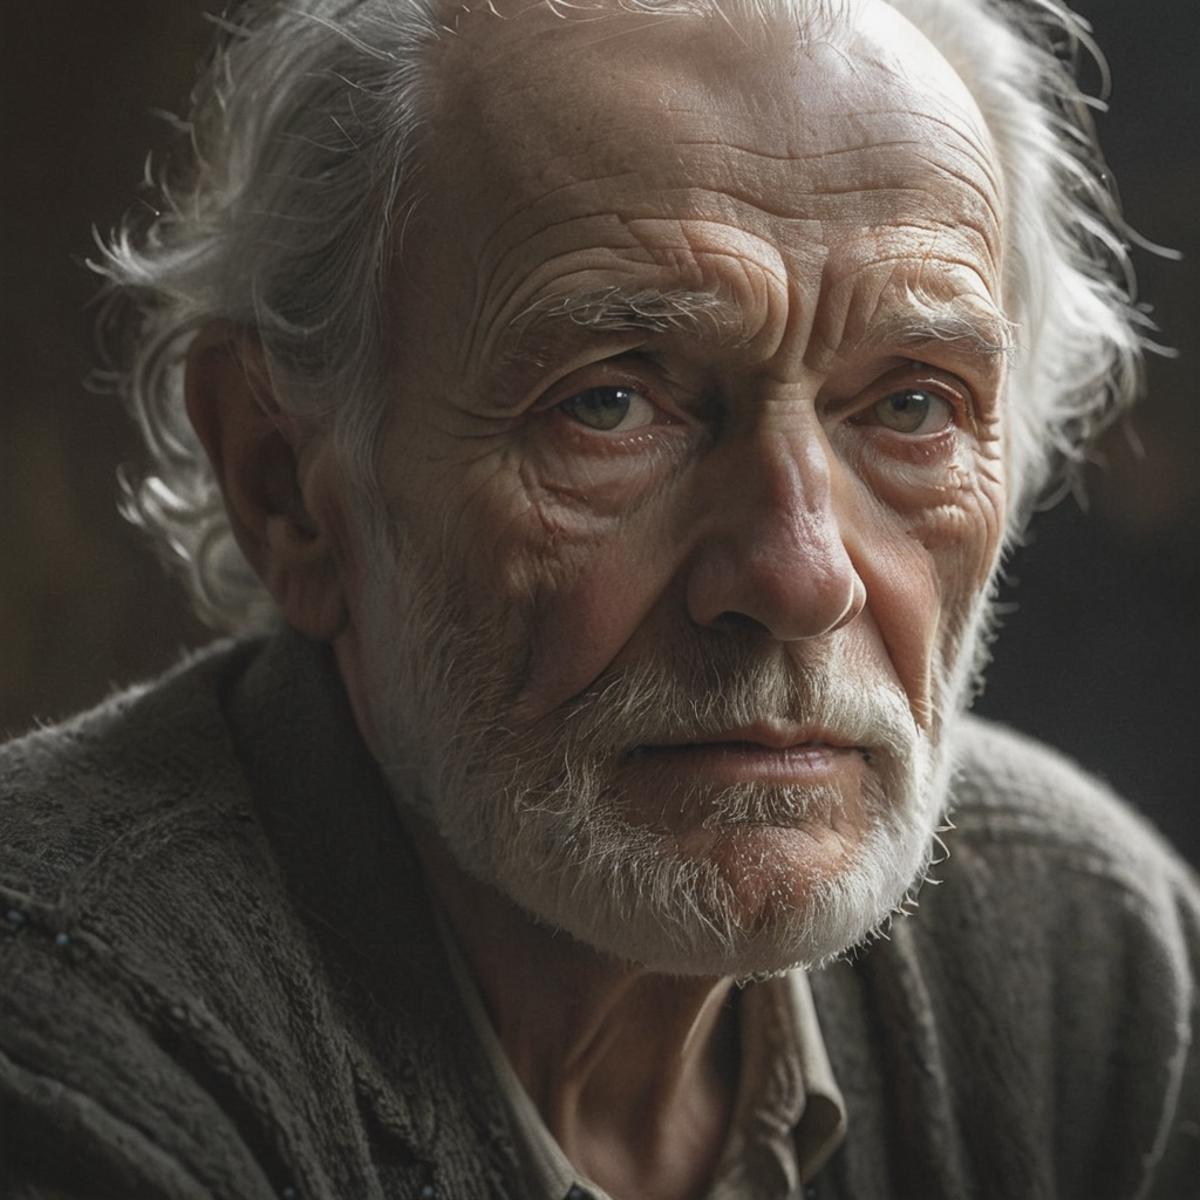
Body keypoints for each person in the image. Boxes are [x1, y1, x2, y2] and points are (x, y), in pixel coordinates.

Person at [2, 0, 1197, 1196]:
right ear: (287, 489)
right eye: (611, 403)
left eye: (913, 407)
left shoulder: (1092, 965)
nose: (800, 574)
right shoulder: (68, 1042)